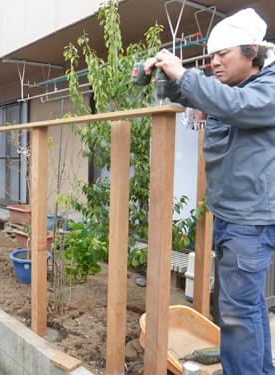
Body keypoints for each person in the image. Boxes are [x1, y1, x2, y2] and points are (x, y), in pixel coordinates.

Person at [145, 8, 275, 375]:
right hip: (234, 215)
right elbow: (201, 96)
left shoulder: (265, 89)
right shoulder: (235, 87)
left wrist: (185, 75)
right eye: (211, 56)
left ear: (251, 52)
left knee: (237, 312)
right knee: (244, 308)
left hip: (249, 222)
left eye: (223, 55)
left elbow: (233, 107)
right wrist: (167, 78)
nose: (214, 62)